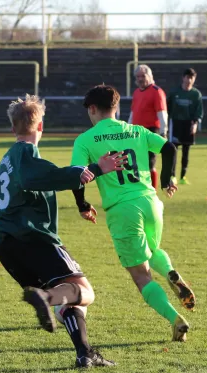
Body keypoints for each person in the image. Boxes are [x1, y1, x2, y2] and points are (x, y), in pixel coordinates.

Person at [0, 94, 126, 368]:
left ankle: (85, 354)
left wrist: (83, 173)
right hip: (31, 237)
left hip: (6, 244)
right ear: (40, 127)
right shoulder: (25, 154)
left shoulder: (9, 158)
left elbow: (44, 174)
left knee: (68, 299)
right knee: (85, 292)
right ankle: (46, 297)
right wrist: (96, 169)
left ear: (12, 127)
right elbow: (36, 176)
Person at [71, 84, 195, 342]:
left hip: (122, 209)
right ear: (116, 108)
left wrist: (82, 205)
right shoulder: (136, 130)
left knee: (141, 275)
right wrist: (166, 180)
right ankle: (170, 271)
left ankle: (176, 320)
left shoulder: (86, 139)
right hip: (150, 202)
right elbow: (169, 148)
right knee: (151, 251)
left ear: (93, 109)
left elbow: (77, 175)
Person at [128, 64, 168, 190]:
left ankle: (153, 190)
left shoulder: (156, 92)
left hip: (151, 131)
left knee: (150, 163)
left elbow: (162, 113)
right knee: (136, 163)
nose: (140, 79)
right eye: (137, 76)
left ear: (150, 76)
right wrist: (128, 129)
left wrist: (163, 132)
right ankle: (140, 188)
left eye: (143, 76)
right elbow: (133, 113)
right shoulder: (136, 93)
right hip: (136, 132)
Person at [167, 68, 203, 184]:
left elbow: (199, 111)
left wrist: (195, 123)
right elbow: (167, 107)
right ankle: (173, 176)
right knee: (173, 150)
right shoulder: (174, 92)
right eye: (187, 77)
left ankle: (183, 176)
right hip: (176, 123)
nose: (189, 80)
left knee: (186, 151)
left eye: (192, 78)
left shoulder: (196, 94)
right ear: (183, 78)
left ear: (194, 79)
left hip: (189, 124)